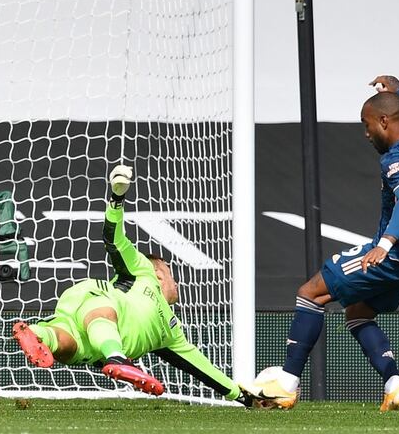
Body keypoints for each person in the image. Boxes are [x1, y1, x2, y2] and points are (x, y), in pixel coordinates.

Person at [253, 75, 399, 410]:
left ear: (385, 120)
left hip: (396, 255)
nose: (365, 133)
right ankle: (395, 386)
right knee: (357, 311)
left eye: (367, 124)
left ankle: (286, 385)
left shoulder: (397, 159)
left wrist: (385, 243)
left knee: (310, 293)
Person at [13, 164, 268, 407]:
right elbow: (113, 239)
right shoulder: (142, 270)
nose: (176, 283)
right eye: (171, 274)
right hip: (97, 301)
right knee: (103, 312)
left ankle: (36, 334)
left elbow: (200, 366)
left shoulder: (172, 334)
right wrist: (116, 198)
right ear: (158, 273)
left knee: (67, 346)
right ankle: (116, 358)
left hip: (90, 338)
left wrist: (242, 396)